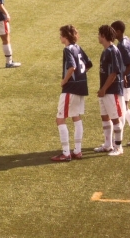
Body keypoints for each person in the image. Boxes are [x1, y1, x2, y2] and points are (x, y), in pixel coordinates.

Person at [51, 25, 93, 162]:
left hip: (71, 88)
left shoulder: (67, 49)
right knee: (76, 116)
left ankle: (66, 153)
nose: (60, 37)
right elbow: (88, 64)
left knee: (60, 118)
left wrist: (65, 80)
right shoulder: (78, 48)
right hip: (81, 87)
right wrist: (80, 76)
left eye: (61, 35)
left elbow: (72, 67)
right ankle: (78, 151)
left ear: (66, 36)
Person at [95, 25, 126, 156]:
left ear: (103, 36)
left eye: (99, 34)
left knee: (115, 118)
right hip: (105, 91)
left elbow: (114, 72)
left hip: (111, 91)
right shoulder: (106, 51)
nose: (98, 37)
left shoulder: (113, 51)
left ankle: (118, 147)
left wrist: (104, 89)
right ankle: (108, 144)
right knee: (105, 117)